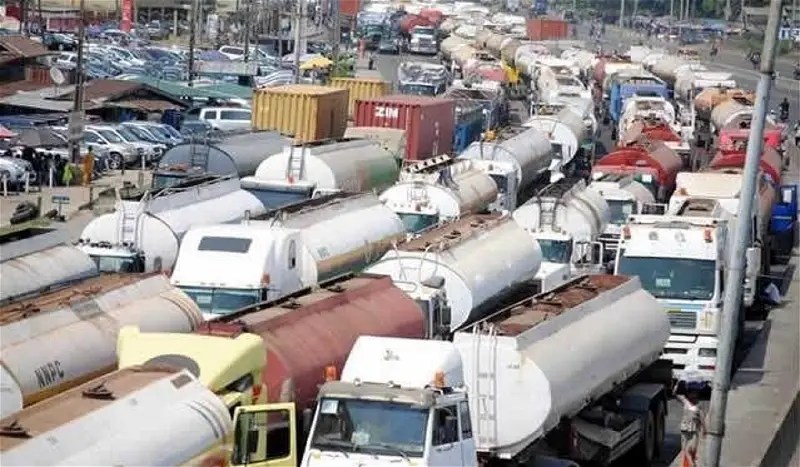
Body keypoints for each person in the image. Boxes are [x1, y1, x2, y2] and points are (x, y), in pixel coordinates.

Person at [675, 381, 706, 467]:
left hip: (694, 431)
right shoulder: (685, 402)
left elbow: (702, 418)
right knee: (685, 450)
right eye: (691, 393)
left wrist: (704, 430)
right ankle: (691, 465)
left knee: (691, 450)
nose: (693, 395)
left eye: (695, 393)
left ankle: (692, 464)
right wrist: (677, 384)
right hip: (685, 430)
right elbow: (675, 394)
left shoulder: (699, 405)